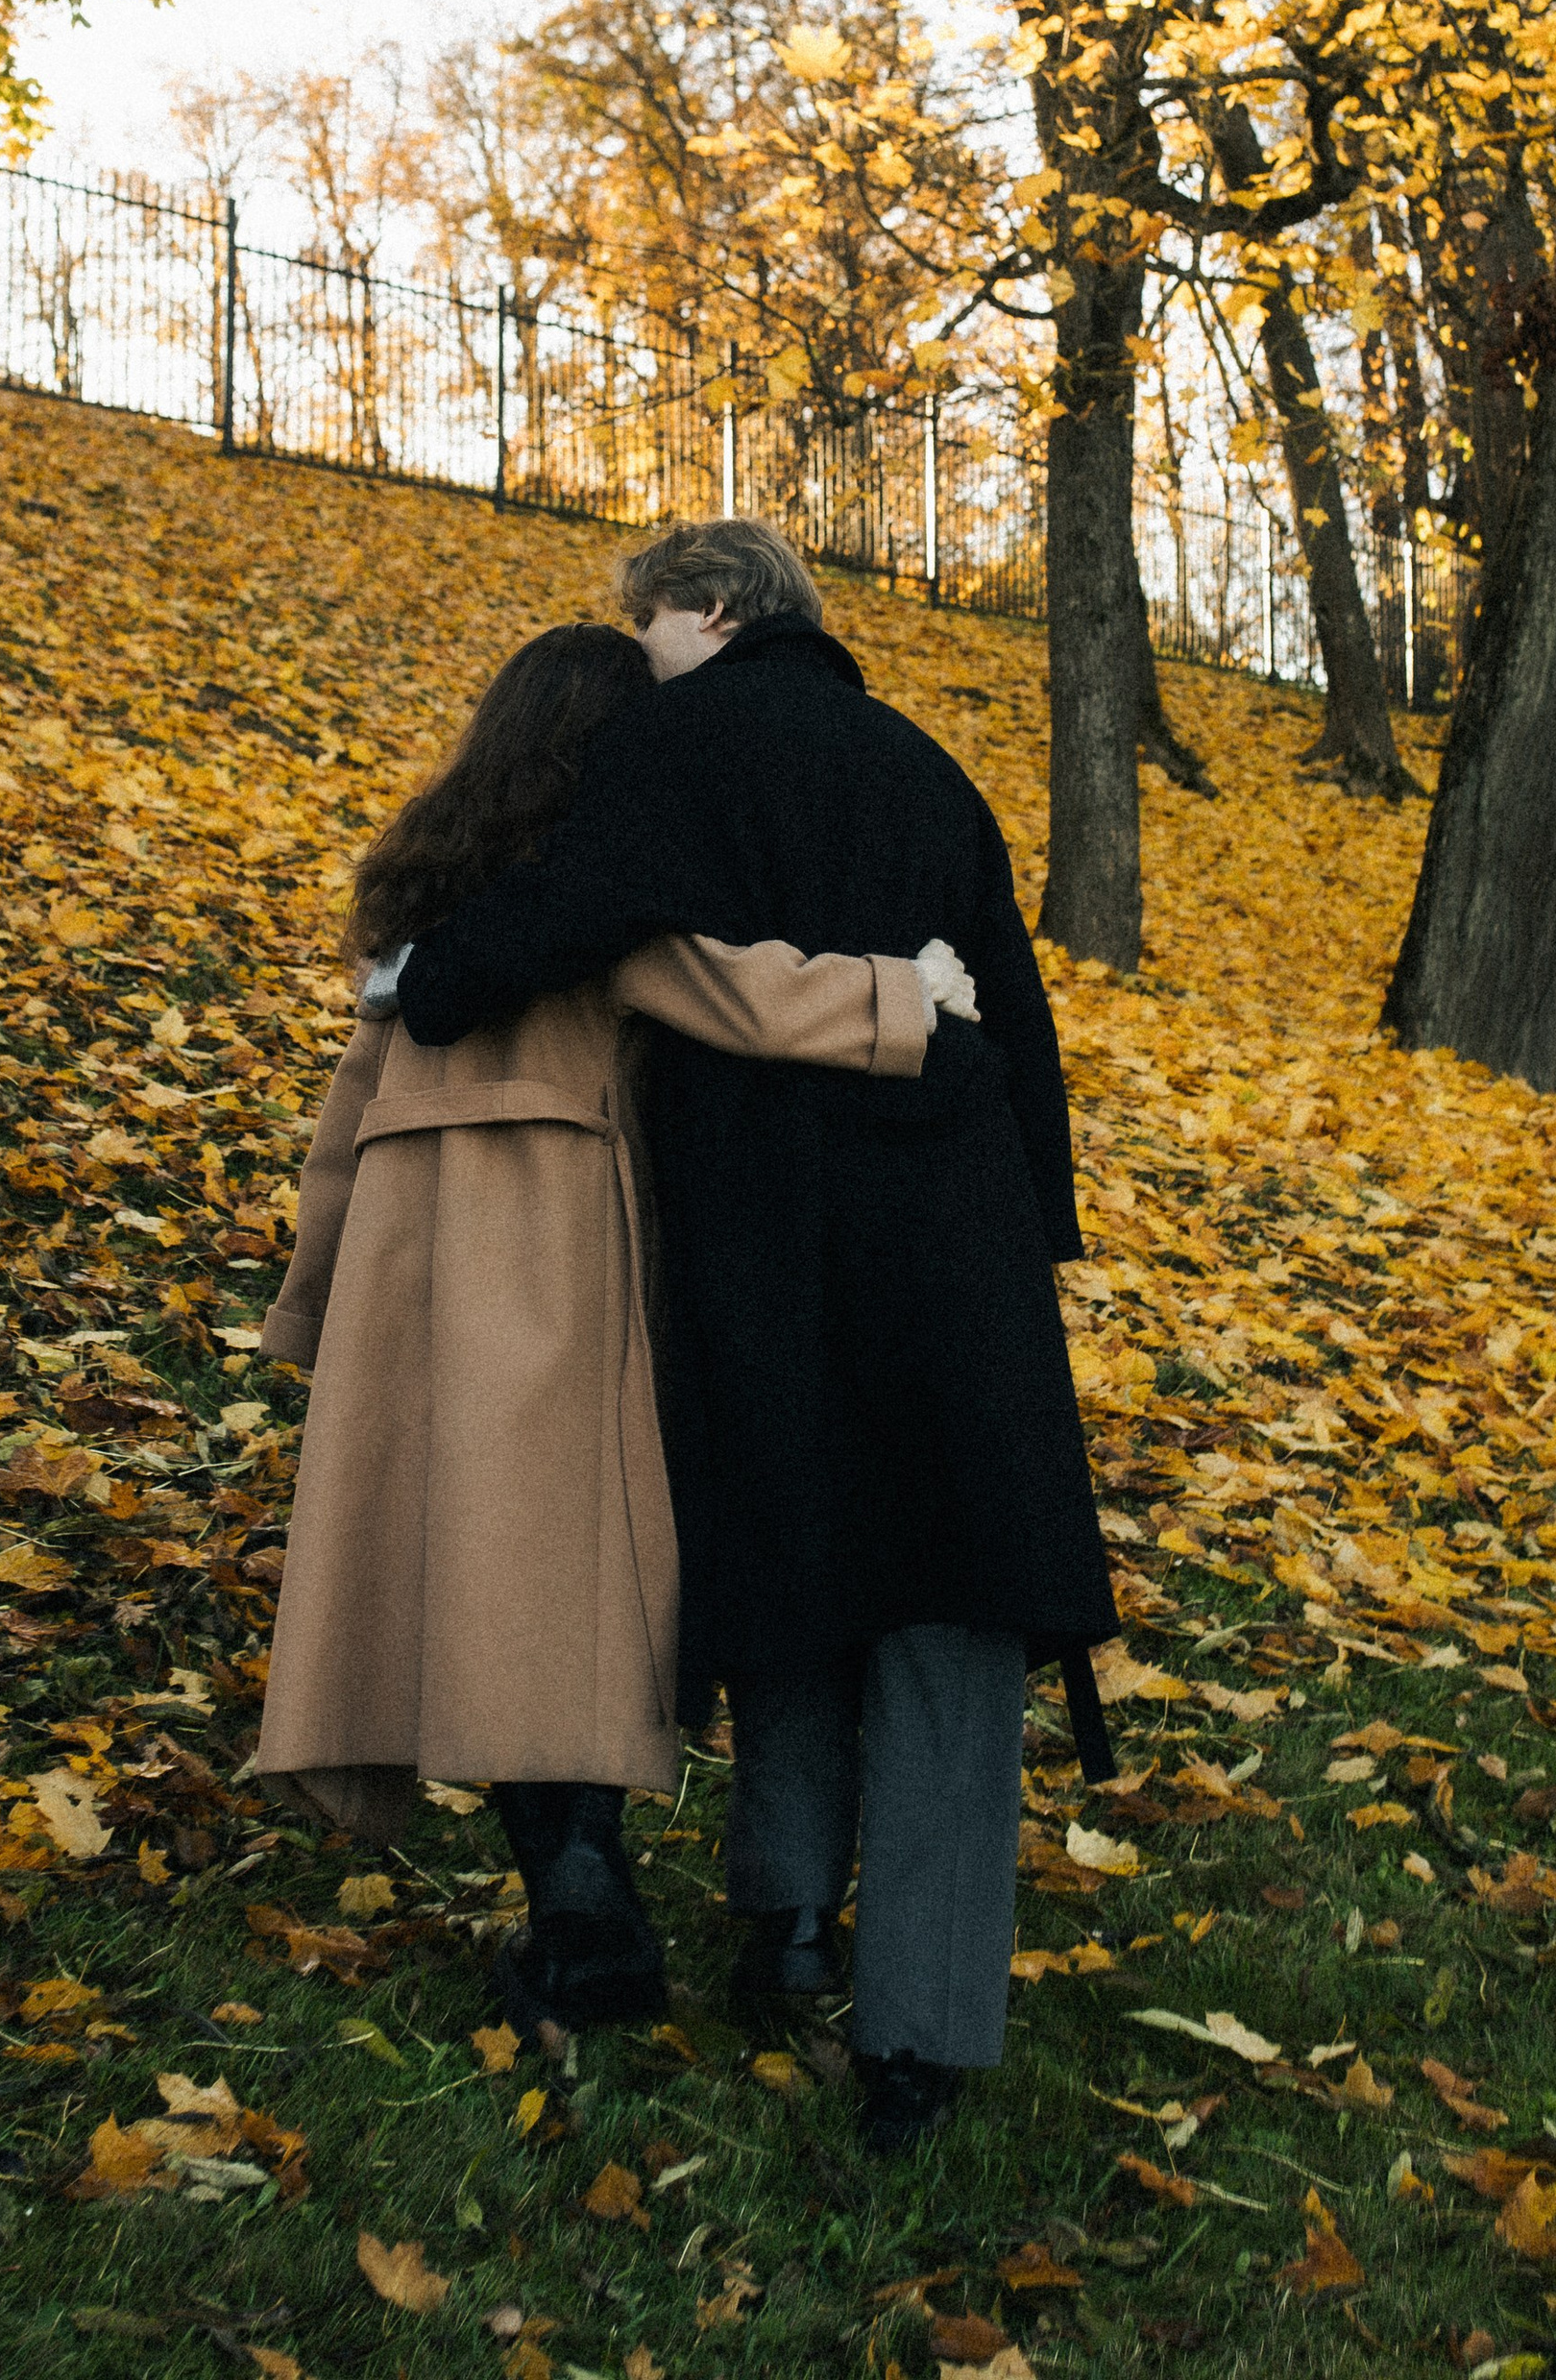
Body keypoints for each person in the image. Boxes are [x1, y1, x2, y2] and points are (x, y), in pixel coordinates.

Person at [399, 522, 1117, 2155]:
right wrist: (1036, 1231)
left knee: (796, 1553)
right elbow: (1017, 1007)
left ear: (712, 610)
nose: (630, 648)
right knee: (947, 1605)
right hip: (954, 1230)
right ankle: (919, 2041)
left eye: (641, 617)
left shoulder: (676, 737)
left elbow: (589, 912)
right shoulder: (931, 768)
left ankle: (787, 1920)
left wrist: (431, 978)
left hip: (768, 1236)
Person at [254, 619, 976, 2039]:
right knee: (559, 1583)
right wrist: (912, 995)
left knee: (462, 1573)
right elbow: (744, 994)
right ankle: (585, 1894)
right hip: (558, 1240)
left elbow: (348, 1107)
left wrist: (316, 1297)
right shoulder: (603, 893)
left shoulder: (430, 898)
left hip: (416, 1257)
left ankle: (567, 1893)